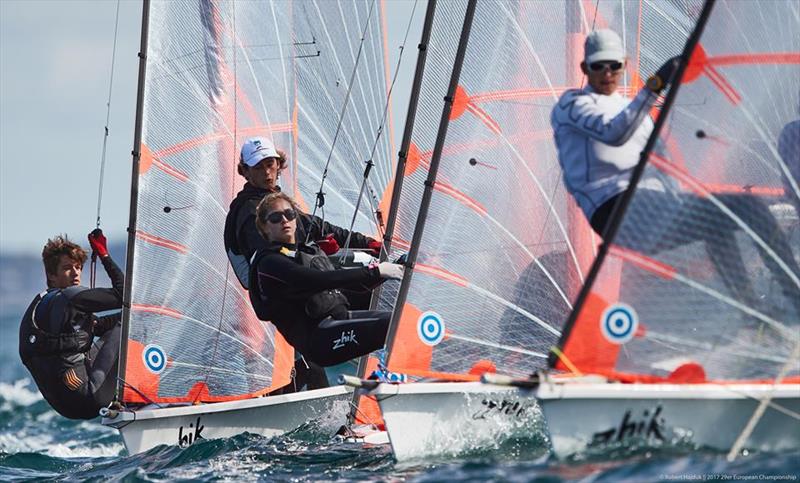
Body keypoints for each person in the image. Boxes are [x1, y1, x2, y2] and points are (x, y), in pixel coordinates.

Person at [551, 29, 800, 312]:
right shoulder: (571, 106)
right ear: (585, 68)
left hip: (650, 206)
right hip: (618, 213)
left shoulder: (627, 109)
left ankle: (756, 316)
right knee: (742, 210)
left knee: (728, 217)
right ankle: (789, 297)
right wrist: (658, 81)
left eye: (614, 66)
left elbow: (657, 160)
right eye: (598, 66)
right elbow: (615, 133)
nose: (607, 73)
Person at [248, 192, 404, 367]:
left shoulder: (305, 253)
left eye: (290, 214)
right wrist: (375, 271)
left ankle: (410, 380)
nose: (285, 220)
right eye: (276, 217)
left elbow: (349, 289)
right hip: (319, 339)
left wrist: (392, 268)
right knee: (392, 325)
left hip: (340, 320)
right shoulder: (270, 263)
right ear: (264, 227)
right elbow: (315, 280)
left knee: (403, 321)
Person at [223, 136, 382, 290]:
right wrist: (309, 251)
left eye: (270, 164)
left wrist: (366, 242)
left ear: (278, 164)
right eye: (258, 167)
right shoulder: (251, 211)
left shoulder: (272, 201)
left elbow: (317, 226)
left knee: (365, 265)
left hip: (298, 279)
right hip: (285, 291)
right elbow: (272, 257)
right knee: (367, 274)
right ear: (245, 171)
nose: (266, 172)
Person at [18, 231, 123, 419]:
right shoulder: (72, 298)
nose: (75, 273)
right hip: (91, 397)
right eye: (67, 267)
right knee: (129, 323)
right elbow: (124, 295)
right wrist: (104, 255)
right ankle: (138, 398)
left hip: (66, 410)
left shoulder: (39, 308)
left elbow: (99, 326)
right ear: (51, 275)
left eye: (78, 267)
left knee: (127, 319)